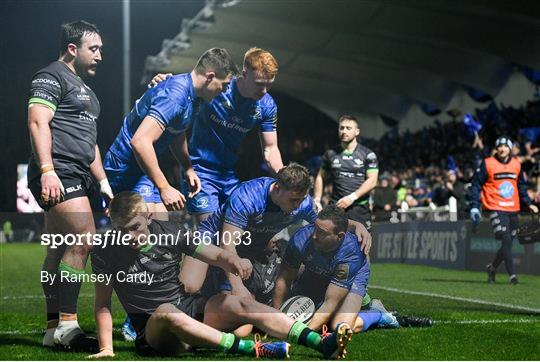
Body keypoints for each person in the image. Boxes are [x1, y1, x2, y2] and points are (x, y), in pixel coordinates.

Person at [89, 191, 353, 359]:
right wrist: (106, 348)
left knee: (238, 301)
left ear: (147, 216)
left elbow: (212, 254)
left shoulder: (170, 229)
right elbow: (102, 304)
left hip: (189, 309)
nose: (130, 237)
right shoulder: (104, 251)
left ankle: (320, 343)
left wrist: (232, 259)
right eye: (122, 230)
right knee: (167, 311)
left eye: (134, 228)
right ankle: (253, 349)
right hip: (155, 331)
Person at [27, 20, 113, 349]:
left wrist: (102, 181)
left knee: (59, 248)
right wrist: (47, 170)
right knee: (85, 237)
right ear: (73, 49)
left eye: (102, 49)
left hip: (77, 174)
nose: (100, 56)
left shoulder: (88, 92)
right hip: (58, 171)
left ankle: (52, 329)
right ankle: (67, 325)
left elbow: (89, 144)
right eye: (95, 49)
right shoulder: (50, 76)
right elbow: (37, 121)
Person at [186, 164, 371, 298]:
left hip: (248, 252)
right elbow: (227, 244)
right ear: (277, 188)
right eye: (293, 200)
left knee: (241, 324)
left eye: (301, 199)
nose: (297, 206)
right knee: (190, 286)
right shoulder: (247, 196)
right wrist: (237, 286)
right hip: (211, 240)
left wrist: (356, 226)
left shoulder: (303, 204)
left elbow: (327, 220)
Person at [104, 48, 237, 215]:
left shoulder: (194, 97)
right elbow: (140, 142)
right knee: (143, 226)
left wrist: (187, 168)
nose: (224, 91)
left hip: (143, 168)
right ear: (210, 77)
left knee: (164, 226)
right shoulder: (175, 96)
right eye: (224, 85)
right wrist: (165, 187)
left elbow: (176, 130)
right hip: (125, 167)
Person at [272, 205, 399, 334]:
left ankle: (377, 314)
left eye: (322, 232)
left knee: (341, 327)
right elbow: (283, 280)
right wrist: (277, 322)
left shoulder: (351, 252)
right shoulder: (300, 239)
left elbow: (331, 302)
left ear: (340, 236)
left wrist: (301, 334)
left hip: (354, 274)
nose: (314, 235)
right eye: (315, 227)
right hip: (317, 271)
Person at [469, 136, 538, 284]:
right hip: (494, 208)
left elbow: (521, 187)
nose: (502, 149)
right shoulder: (487, 163)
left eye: (505, 146)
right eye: (499, 146)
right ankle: (512, 276)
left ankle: (492, 268)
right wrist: (474, 206)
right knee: (506, 237)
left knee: (508, 243)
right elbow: (475, 185)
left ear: (510, 148)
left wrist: (528, 203)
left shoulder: (516, 164)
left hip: (513, 209)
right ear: (496, 148)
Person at [314, 115, 379, 231]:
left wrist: (351, 198)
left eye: (348, 128)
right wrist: (317, 199)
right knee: (332, 246)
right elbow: (320, 176)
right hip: (336, 208)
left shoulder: (368, 154)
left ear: (357, 131)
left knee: (360, 247)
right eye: (342, 128)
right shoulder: (330, 154)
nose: (344, 131)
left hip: (359, 209)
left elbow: (372, 181)